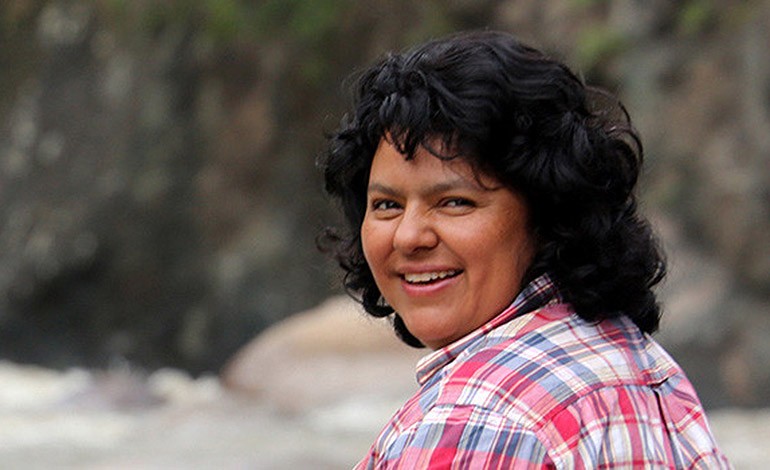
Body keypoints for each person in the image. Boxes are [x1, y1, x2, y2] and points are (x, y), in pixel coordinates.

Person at [319, 30, 731, 469]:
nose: (407, 236)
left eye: (455, 202)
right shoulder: (641, 368)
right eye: (386, 205)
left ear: (548, 213)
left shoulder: (476, 421)